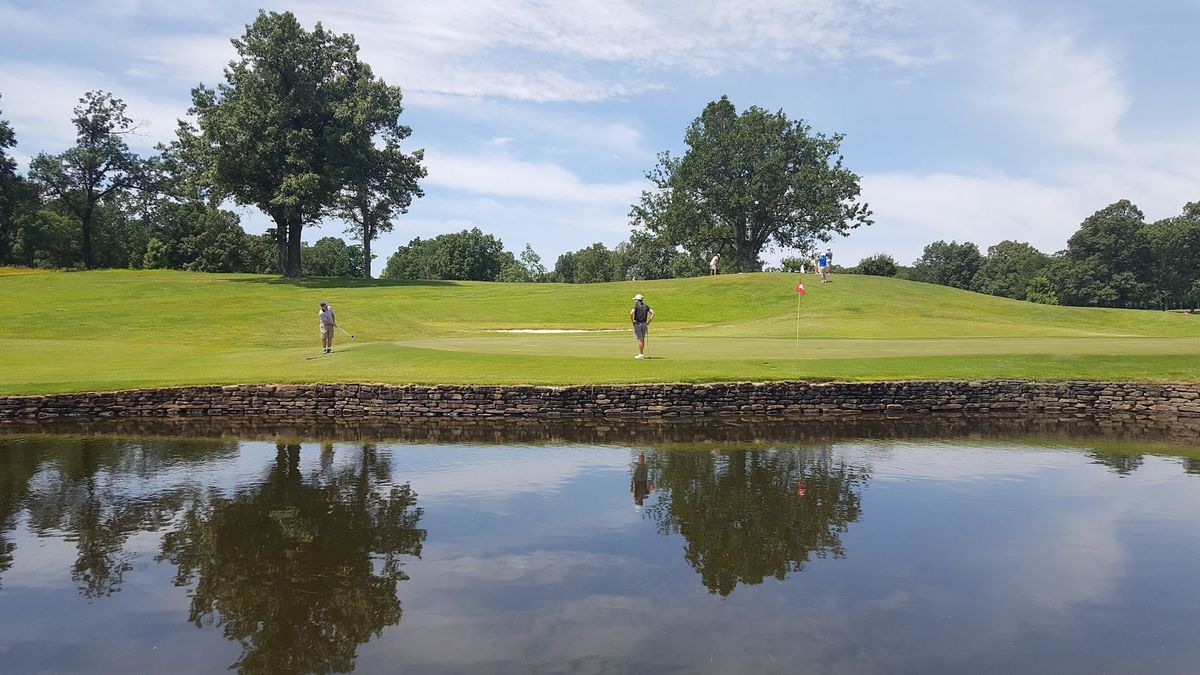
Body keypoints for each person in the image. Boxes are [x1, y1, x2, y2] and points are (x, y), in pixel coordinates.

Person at [630, 293, 654, 359]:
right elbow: (653, 313)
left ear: (638, 300)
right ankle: (641, 353)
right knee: (642, 339)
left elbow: (631, 313)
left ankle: (641, 354)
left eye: (635, 300)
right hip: (644, 324)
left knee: (640, 339)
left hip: (638, 324)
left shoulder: (636, 306)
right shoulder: (646, 306)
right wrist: (648, 322)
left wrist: (632, 321)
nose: (635, 301)